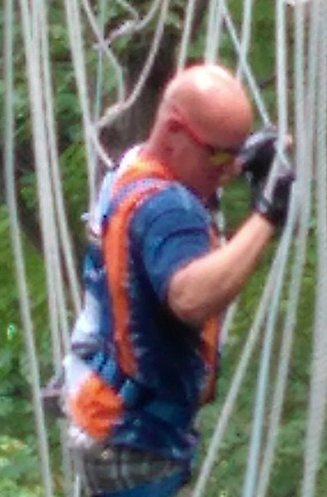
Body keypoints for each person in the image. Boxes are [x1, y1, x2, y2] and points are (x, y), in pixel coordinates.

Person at [62, 63, 295, 496]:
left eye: (235, 155)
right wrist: (267, 215)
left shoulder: (130, 169)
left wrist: (238, 158)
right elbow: (188, 296)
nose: (227, 171)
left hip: (108, 421)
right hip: (137, 441)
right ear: (173, 130)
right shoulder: (168, 208)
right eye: (219, 156)